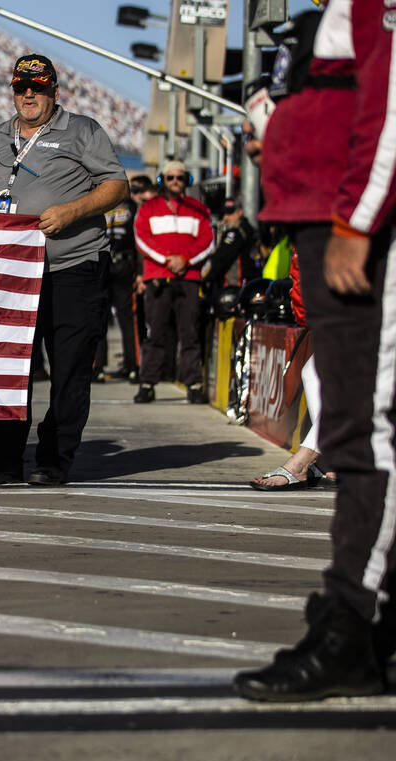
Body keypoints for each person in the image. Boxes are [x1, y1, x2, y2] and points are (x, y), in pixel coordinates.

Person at [234, 0, 396, 702]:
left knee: (368, 430)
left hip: (352, 223)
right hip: (319, 216)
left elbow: (392, 106)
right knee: (353, 427)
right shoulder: (327, 12)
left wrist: (358, 220)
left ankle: (350, 623)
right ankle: (362, 621)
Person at [0, 54, 128, 487]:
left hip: (73, 265)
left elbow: (117, 185)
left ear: (55, 91)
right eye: (21, 87)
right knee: (9, 368)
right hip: (15, 274)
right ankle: (2, 460)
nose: (28, 94)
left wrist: (73, 211)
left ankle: (54, 459)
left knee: (69, 369)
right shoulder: (0, 137)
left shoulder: (82, 129)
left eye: (37, 87)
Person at [131, 159, 215, 405]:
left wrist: (185, 261)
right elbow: (142, 238)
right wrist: (168, 260)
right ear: (162, 181)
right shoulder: (148, 208)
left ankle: (193, 384)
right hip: (158, 277)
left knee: (190, 333)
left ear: (187, 180)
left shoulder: (198, 208)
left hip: (188, 278)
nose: (175, 182)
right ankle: (147, 383)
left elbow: (208, 241)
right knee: (154, 332)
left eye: (180, 178)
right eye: (171, 178)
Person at [97, 173, 147, 383]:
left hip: (122, 265)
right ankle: (98, 366)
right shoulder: (98, 204)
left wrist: (141, 273)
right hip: (104, 262)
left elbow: (140, 240)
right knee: (101, 317)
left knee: (125, 318)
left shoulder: (132, 208)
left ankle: (132, 365)